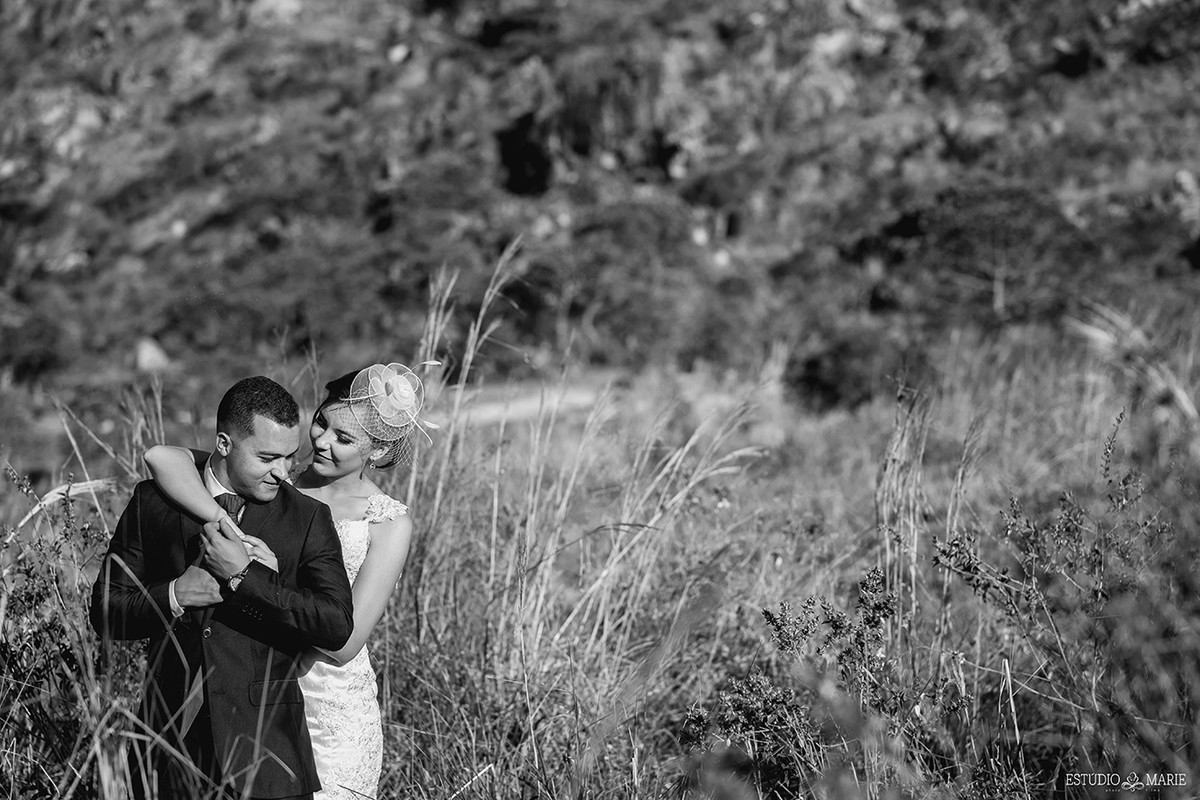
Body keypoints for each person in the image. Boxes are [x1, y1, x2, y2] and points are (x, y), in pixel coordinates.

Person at [144, 362, 427, 799]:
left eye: (344, 438)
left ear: (375, 451)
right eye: (321, 422)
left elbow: (344, 643)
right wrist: (222, 519)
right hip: (248, 696)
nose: (321, 441)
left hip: (328, 704)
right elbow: (163, 458)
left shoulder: (387, 522)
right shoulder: (274, 477)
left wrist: (256, 579)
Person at [90, 376, 355, 799]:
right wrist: (176, 594)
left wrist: (246, 579)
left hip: (269, 761)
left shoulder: (307, 518)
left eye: (290, 457)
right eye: (268, 457)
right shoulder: (153, 503)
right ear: (225, 444)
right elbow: (104, 611)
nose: (283, 473)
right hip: (165, 750)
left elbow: (335, 625)